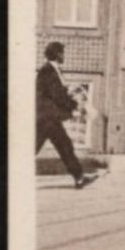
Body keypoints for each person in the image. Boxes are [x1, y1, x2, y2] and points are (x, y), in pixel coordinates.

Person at [37, 42, 95, 189]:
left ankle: (79, 177)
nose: (64, 55)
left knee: (63, 145)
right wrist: (74, 106)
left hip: (47, 118)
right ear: (57, 54)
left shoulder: (52, 70)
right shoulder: (48, 71)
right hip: (47, 118)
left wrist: (69, 96)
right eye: (62, 52)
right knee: (63, 146)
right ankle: (79, 177)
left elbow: (57, 93)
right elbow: (57, 95)